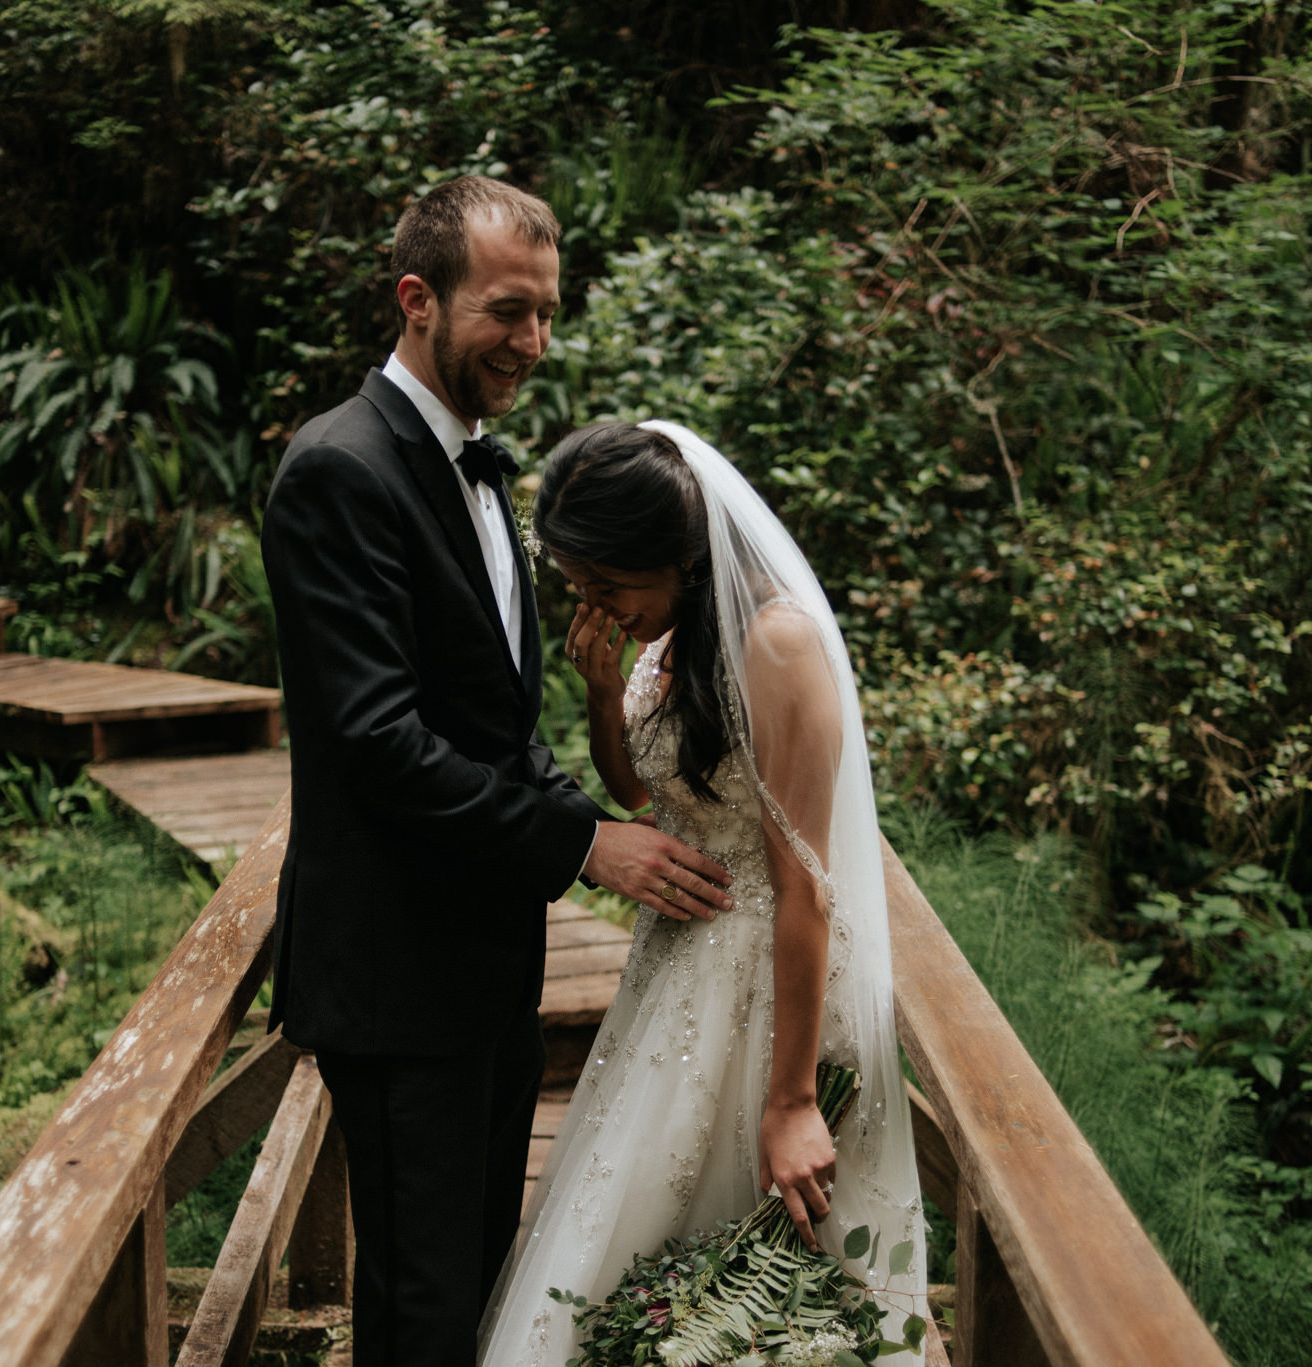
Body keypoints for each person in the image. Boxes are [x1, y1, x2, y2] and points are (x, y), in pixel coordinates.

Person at [260, 177, 737, 1367]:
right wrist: (583, 844)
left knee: (474, 1284)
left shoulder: (478, 468)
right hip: (397, 970)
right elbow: (378, 740)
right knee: (421, 1312)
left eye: (546, 313)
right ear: (417, 298)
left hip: (484, 964)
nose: (532, 341)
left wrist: (576, 811)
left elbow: (489, 719)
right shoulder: (339, 471)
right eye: (506, 311)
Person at [477, 421, 927, 1364]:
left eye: (609, 586)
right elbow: (649, 792)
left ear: (680, 556)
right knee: (647, 1256)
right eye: (578, 588)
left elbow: (808, 883)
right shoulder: (676, 631)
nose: (596, 606)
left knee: (757, 1273)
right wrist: (604, 693)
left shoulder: (778, 642)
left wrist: (793, 1099)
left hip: (769, 982)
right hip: (676, 971)